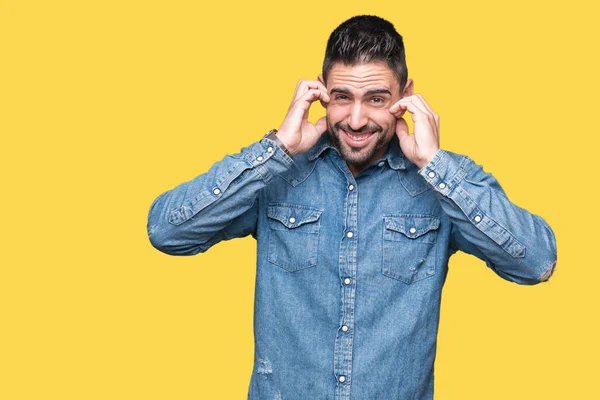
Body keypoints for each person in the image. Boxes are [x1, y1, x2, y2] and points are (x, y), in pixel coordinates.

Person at [147, 15, 557, 400]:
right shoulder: (277, 172)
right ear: (321, 92)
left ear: (407, 96)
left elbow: (537, 262)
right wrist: (277, 150)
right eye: (342, 97)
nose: (356, 120)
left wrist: (436, 167)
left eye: (376, 98)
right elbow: (167, 231)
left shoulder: (445, 181)